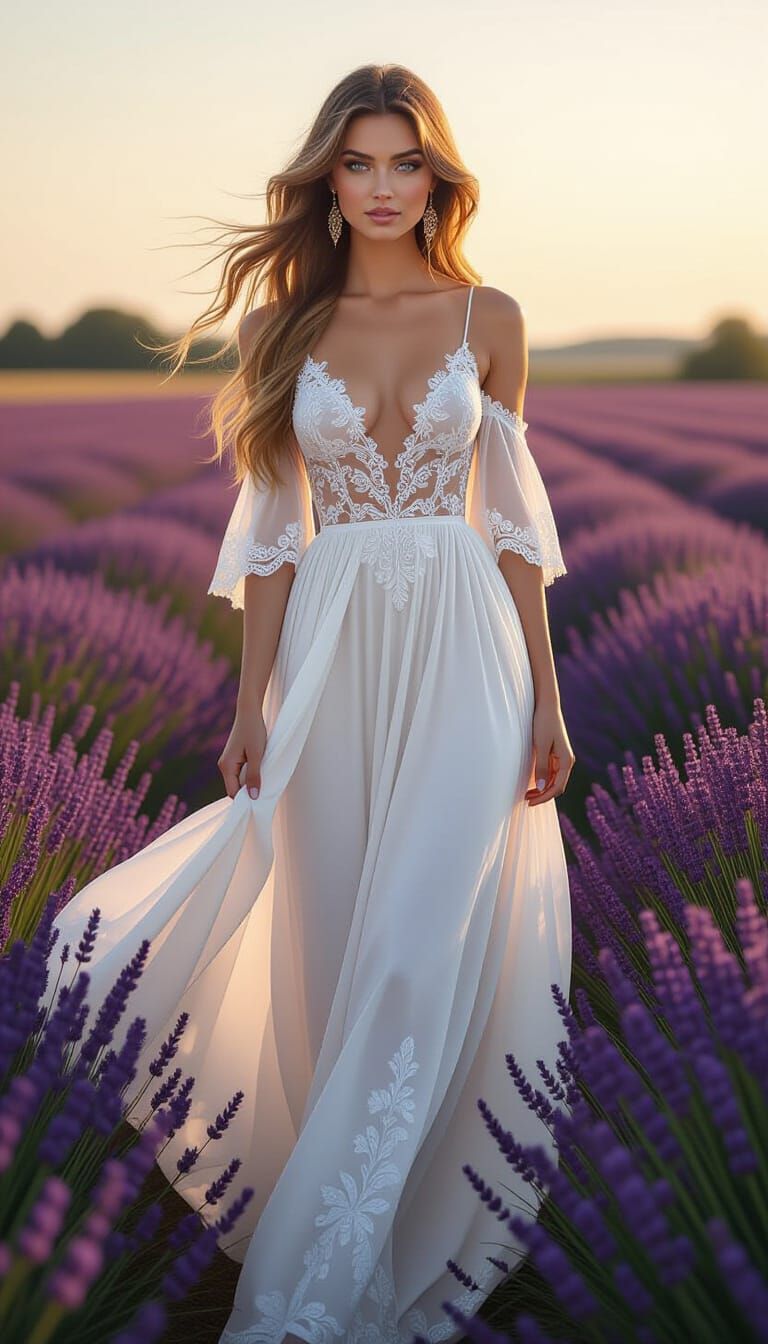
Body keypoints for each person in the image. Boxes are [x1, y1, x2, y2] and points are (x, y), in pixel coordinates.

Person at [42, 62, 574, 1344]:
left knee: (413, 949)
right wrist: (250, 704)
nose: (385, 187)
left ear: (437, 178)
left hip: (465, 649)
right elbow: (277, 539)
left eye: (407, 164)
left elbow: (508, 526)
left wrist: (548, 696)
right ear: (326, 182)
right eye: (360, 164)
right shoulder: (282, 332)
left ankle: (337, 1281)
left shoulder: (488, 317)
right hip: (332, 652)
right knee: (333, 955)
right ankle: (340, 1220)